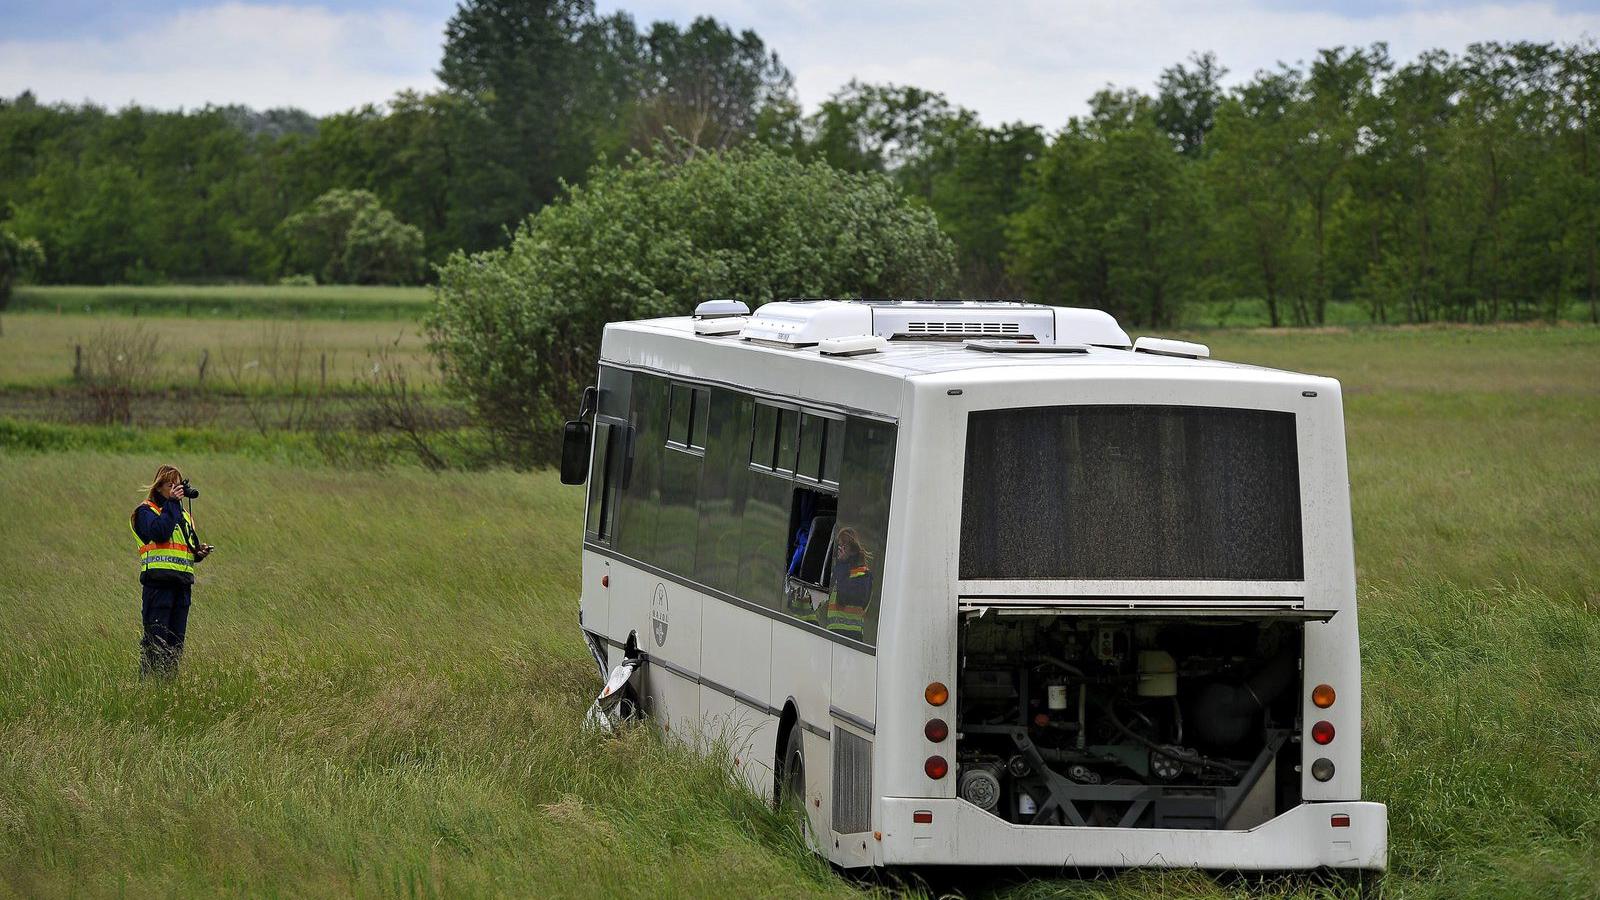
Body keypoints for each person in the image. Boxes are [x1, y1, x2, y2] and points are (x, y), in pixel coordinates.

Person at [129, 465, 212, 676]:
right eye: (170, 485)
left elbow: (183, 548)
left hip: (182, 587)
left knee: (175, 649)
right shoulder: (145, 512)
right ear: (158, 488)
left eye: (178, 485)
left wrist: (198, 553)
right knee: (154, 645)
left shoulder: (183, 515)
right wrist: (172, 504)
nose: (176, 489)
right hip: (158, 587)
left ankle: (166, 694)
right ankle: (147, 691)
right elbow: (160, 533)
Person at [825, 527, 873, 641]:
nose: (840, 549)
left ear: (852, 549)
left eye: (844, 546)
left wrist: (842, 564)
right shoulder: (839, 569)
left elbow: (844, 597)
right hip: (833, 632)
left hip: (852, 636)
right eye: (839, 546)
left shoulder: (862, 572)